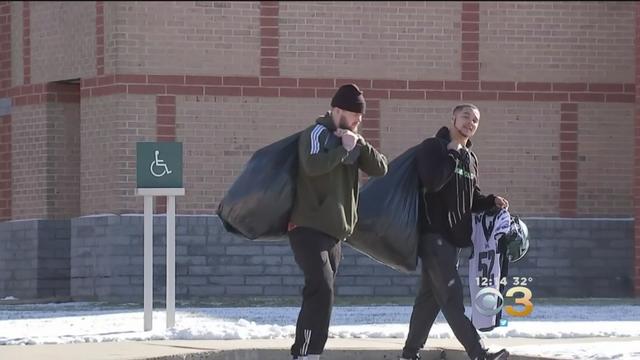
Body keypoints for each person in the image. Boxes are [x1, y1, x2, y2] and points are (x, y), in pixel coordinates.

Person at [401, 104, 510, 360]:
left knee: (429, 300)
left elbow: (470, 199)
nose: (470, 123)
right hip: (434, 235)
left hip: (454, 240)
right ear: (453, 118)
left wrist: (491, 200)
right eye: (465, 117)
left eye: (475, 120)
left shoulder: (471, 159)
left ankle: (409, 354)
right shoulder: (433, 147)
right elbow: (432, 182)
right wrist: (451, 155)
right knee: (451, 298)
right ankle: (479, 352)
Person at [288, 84, 389, 360]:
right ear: (337, 110)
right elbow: (312, 165)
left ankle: (309, 353)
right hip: (307, 227)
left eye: (361, 115)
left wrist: (358, 142)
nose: (359, 119)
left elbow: (380, 168)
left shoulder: (352, 137)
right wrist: (342, 151)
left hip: (335, 232)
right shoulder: (316, 133)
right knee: (321, 287)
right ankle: (306, 352)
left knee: (323, 293)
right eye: (354, 113)